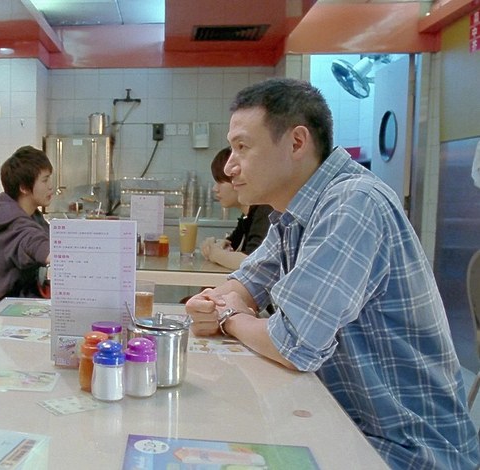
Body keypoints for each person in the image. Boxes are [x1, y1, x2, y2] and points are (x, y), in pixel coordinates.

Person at [185, 77, 479, 469]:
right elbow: (244, 284)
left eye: (242, 147)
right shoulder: (293, 212)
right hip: (346, 425)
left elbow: (292, 344)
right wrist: (217, 304)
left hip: (407, 448)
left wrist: (227, 316)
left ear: (296, 142)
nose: (229, 166)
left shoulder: (353, 202)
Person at [0, 146, 53, 313]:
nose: (51, 186)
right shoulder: (11, 222)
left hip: (21, 300)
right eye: (45, 180)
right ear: (24, 187)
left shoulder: (32, 215)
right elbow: (35, 243)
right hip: (2, 311)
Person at [201, 146, 273, 270]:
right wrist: (216, 245)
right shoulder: (247, 216)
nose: (215, 189)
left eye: (220, 181)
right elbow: (231, 245)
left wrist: (215, 253)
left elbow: (252, 262)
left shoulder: (265, 210)